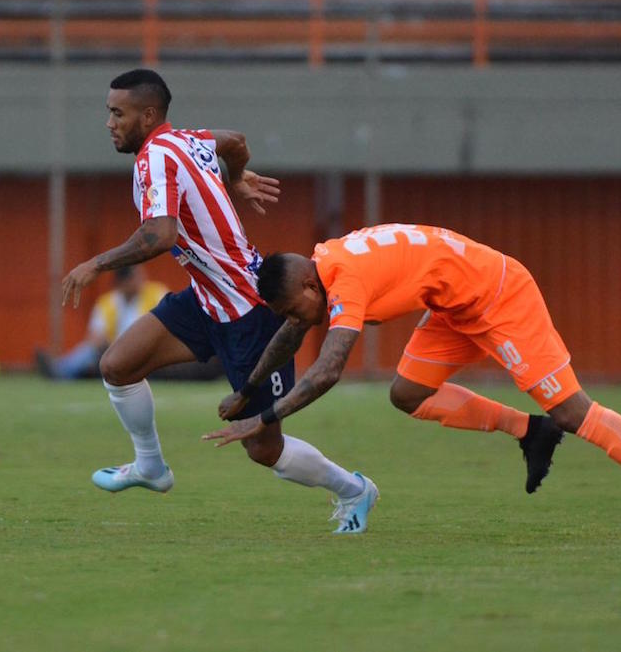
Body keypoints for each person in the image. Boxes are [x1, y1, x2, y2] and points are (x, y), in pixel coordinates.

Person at [205, 222, 621, 542]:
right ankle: (528, 431)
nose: (298, 319)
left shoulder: (346, 281)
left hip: (499, 298)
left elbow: (328, 370)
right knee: (407, 394)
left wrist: (264, 418)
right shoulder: (325, 268)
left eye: (295, 307)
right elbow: (291, 335)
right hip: (453, 309)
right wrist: (248, 391)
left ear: (309, 285)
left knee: (571, 410)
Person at [61, 69, 378, 534]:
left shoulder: (155, 159)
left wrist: (95, 264)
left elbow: (160, 235)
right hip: (206, 299)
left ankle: (354, 489)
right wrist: (235, 179)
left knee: (263, 449)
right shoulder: (190, 140)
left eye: (117, 113)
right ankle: (151, 468)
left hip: (250, 311)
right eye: (109, 112)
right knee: (118, 366)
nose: (109, 122)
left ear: (148, 115)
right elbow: (235, 141)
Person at [38, 266, 167, 380]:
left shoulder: (157, 294)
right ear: (124, 282)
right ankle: (60, 370)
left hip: (146, 349)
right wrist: (102, 344)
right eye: (136, 276)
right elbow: (94, 336)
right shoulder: (107, 302)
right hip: (114, 350)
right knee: (89, 350)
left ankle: (60, 370)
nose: (142, 279)